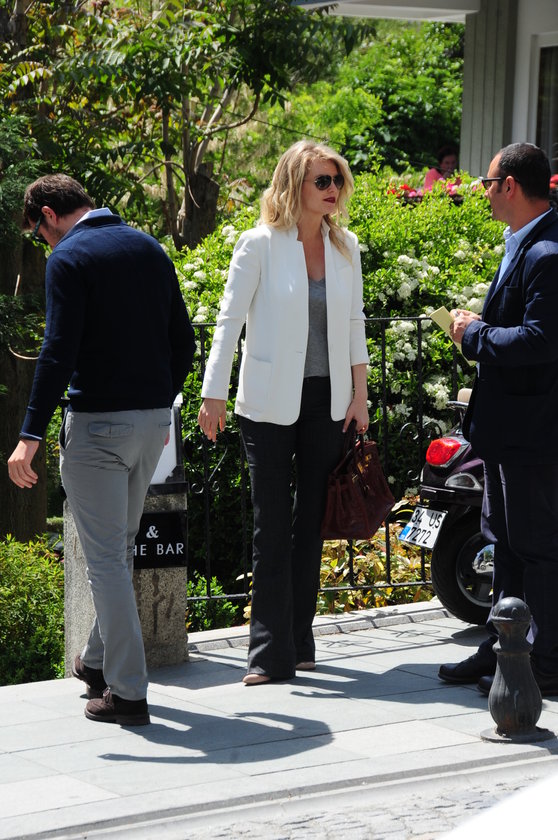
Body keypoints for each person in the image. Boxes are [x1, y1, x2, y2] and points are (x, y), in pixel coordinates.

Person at [8, 174, 195, 724]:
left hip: (98, 429)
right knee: (121, 548)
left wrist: (29, 436)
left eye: (39, 233)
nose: (44, 244)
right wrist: (158, 405)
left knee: (108, 560)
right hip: (152, 424)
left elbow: (57, 350)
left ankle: (128, 693)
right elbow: (183, 341)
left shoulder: (69, 257)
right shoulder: (148, 247)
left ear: (48, 214)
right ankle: (95, 662)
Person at [198, 141, 369, 685]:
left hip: (327, 401)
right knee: (271, 525)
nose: (333, 190)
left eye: (337, 180)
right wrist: (213, 392)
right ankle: (268, 655)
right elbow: (228, 321)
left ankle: (300, 642)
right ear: (295, 184)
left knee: (310, 524)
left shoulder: (346, 247)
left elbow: (354, 323)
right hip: (268, 402)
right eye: (322, 181)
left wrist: (360, 395)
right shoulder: (259, 244)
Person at [438, 143, 558, 696]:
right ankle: (503, 647)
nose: (482, 192)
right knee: (505, 545)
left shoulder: (547, 252)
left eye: (487, 183)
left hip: (533, 432)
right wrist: (481, 326)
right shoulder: (525, 242)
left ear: (510, 185)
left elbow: (540, 340)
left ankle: (545, 661)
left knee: (535, 548)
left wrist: (475, 335)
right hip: (510, 430)